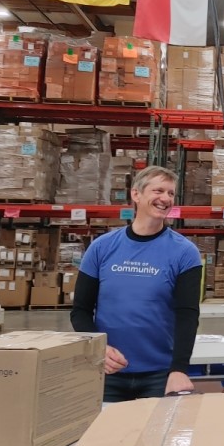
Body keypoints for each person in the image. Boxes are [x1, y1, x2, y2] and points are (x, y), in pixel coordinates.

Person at [71, 165, 202, 402]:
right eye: (158, 191)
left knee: (153, 438)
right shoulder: (101, 247)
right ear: (136, 194)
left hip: (159, 373)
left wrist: (179, 369)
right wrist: (97, 347)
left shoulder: (185, 252)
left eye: (171, 193)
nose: (165, 199)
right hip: (107, 370)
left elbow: (188, 315)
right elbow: (80, 310)